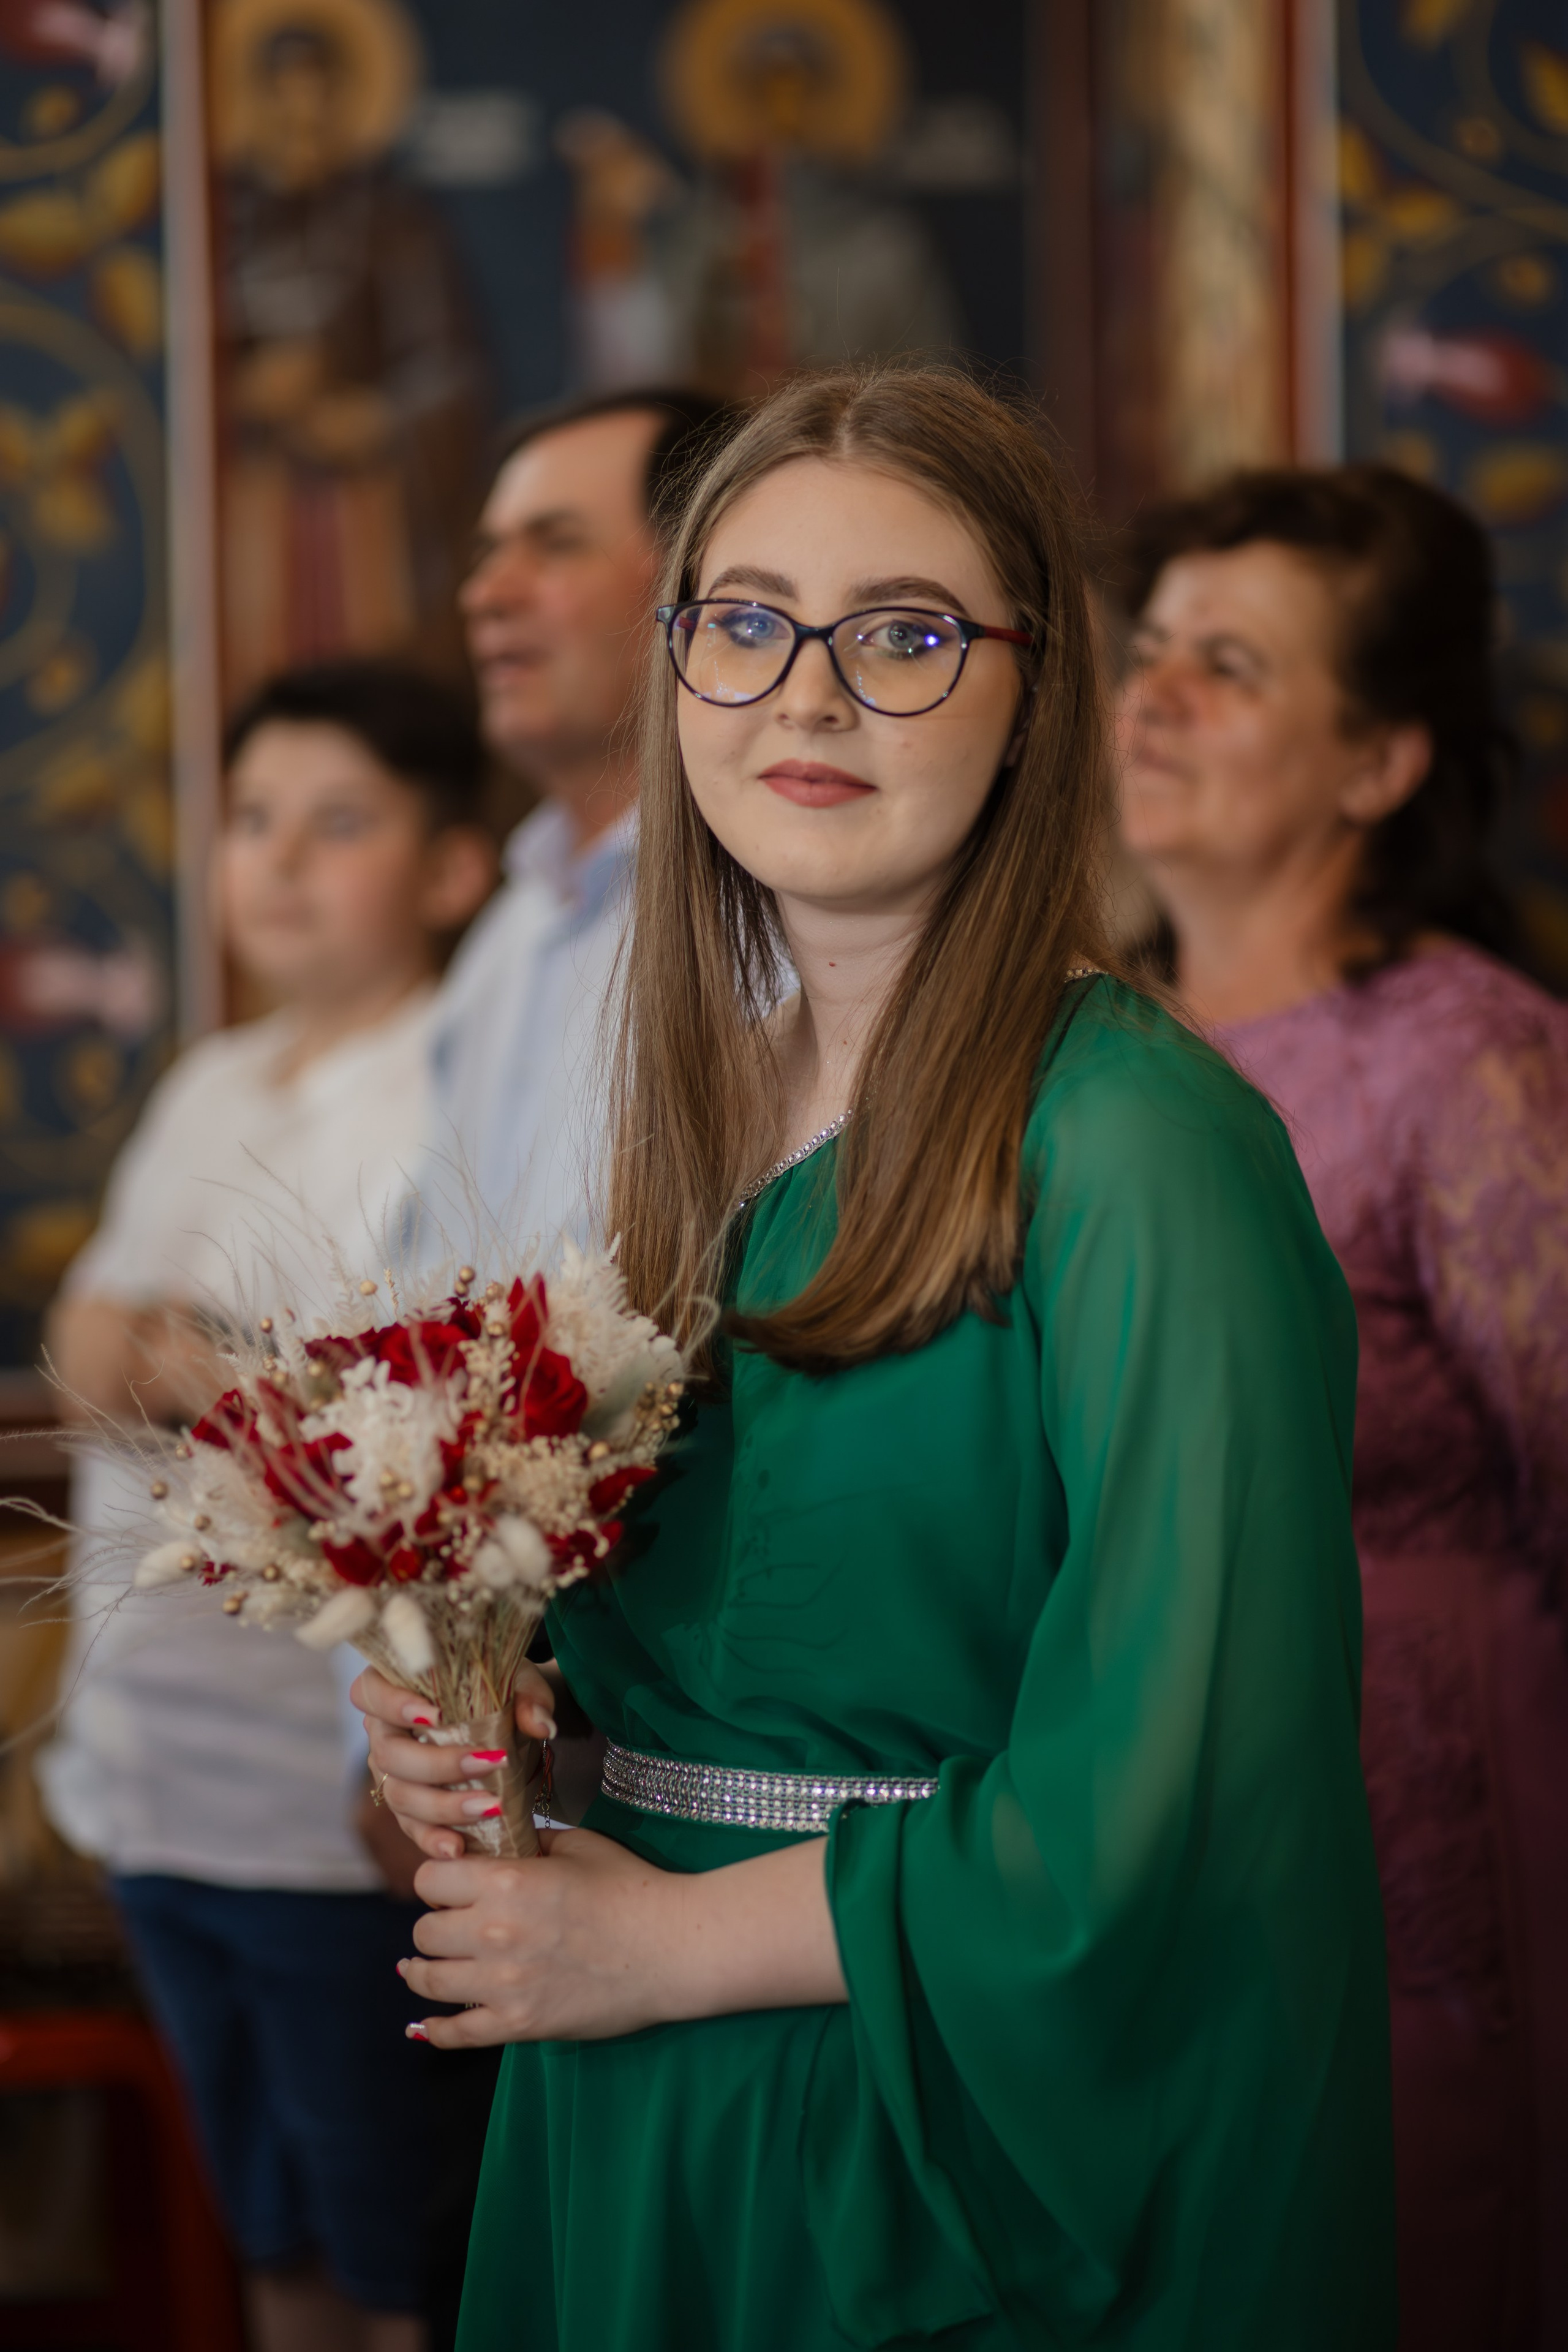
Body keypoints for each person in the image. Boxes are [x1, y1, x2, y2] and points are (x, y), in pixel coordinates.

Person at [354, 366, 1396, 2350]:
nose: (806, 699)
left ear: (1036, 695)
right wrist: (502, 1713)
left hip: (924, 2134)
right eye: (745, 624)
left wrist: (673, 1946)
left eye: (904, 637)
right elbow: (734, 1653)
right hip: (632, 2084)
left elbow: (1175, 1793)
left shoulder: (1140, 1148)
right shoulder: (701, 1121)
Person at [1115, 464, 1568, 2352]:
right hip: (1122, 1813)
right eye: (1148, 650)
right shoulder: (1083, 1034)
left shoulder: (1466, 1063)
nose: (1152, 700)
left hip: (1411, 1810)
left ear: (1379, 762)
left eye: (1227, 666)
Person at [41, 661, 496, 2352]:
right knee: (271, 2235)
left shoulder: (451, 1086)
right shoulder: (213, 1082)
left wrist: (179, 1356)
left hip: (322, 1802)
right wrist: (186, 1359)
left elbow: (368, 1416)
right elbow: (89, 1347)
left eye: (339, 822)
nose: (281, 861)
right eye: (252, 820)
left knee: (396, 2258)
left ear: (451, 869)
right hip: (158, 1779)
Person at [416, 385, 732, 1254]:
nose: (485, 595)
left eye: (555, 545)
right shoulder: (506, 938)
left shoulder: (761, 909)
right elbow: (428, 1268)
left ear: (702, 586)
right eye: (487, 555)